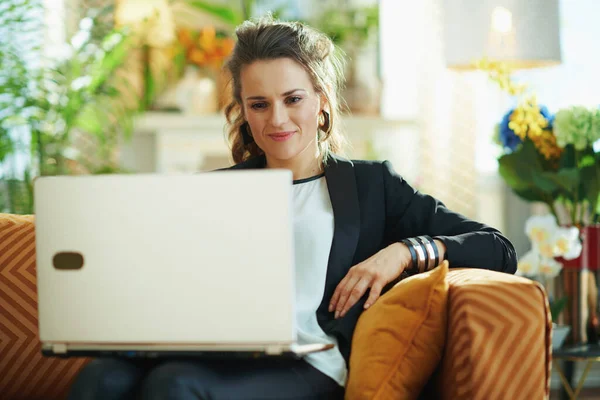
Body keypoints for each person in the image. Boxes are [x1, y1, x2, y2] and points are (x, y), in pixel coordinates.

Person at [67, 16, 517, 400]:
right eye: (259, 104)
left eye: (293, 99)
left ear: (321, 100)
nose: (277, 120)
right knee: (99, 377)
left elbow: (498, 248)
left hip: (312, 363)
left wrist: (402, 252)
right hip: (213, 354)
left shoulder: (371, 185)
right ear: (243, 111)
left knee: (175, 384)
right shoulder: (211, 192)